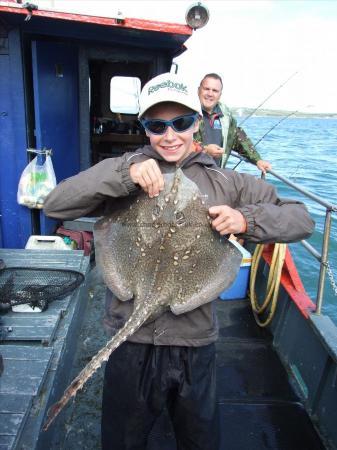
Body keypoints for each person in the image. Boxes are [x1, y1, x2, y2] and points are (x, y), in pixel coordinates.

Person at [44, 72, 314, 450]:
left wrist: (246, 220)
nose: (170, 135)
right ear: (144, 128)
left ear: (197, 123)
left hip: (193, 342)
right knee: (123, 441)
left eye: (181, 123)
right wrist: (124, 175)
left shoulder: (227, 182)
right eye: (157, 125)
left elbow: (301, 218)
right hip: (131, 340)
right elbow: (56, 203)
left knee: (199, 440)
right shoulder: (126, 171)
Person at [195, 73, 272, 173]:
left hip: (215, 176)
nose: (210, 93)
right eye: (206, 89)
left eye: (215, 90)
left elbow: (239, 139)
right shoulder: (186, 112)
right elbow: (180, 143)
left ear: (220, 95)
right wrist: (205, 150)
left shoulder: (226, 117)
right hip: (189, 176)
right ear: (198, 90)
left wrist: (258, 160)